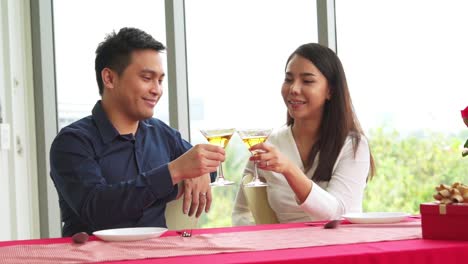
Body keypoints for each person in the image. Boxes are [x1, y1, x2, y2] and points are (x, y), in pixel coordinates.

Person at [50, 27, 224, 237]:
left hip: (158, 254)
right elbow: (96, 209)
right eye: (147, 78)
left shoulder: (161, 133)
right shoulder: (72, 142)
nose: (157, 90)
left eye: (160, 80)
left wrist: (202, 171)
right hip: (94, 257)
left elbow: (205, 168)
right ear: (109, 78)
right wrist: (175, 172)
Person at [232, 43, 375, 225]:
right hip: (285, 250)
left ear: (330, 90)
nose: (294, 89)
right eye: (289, 79)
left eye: (307, 81)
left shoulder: (353, 145)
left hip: (340, 248)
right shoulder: (271, 143)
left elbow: (338, 215)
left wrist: (289, 169)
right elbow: (241, 212)